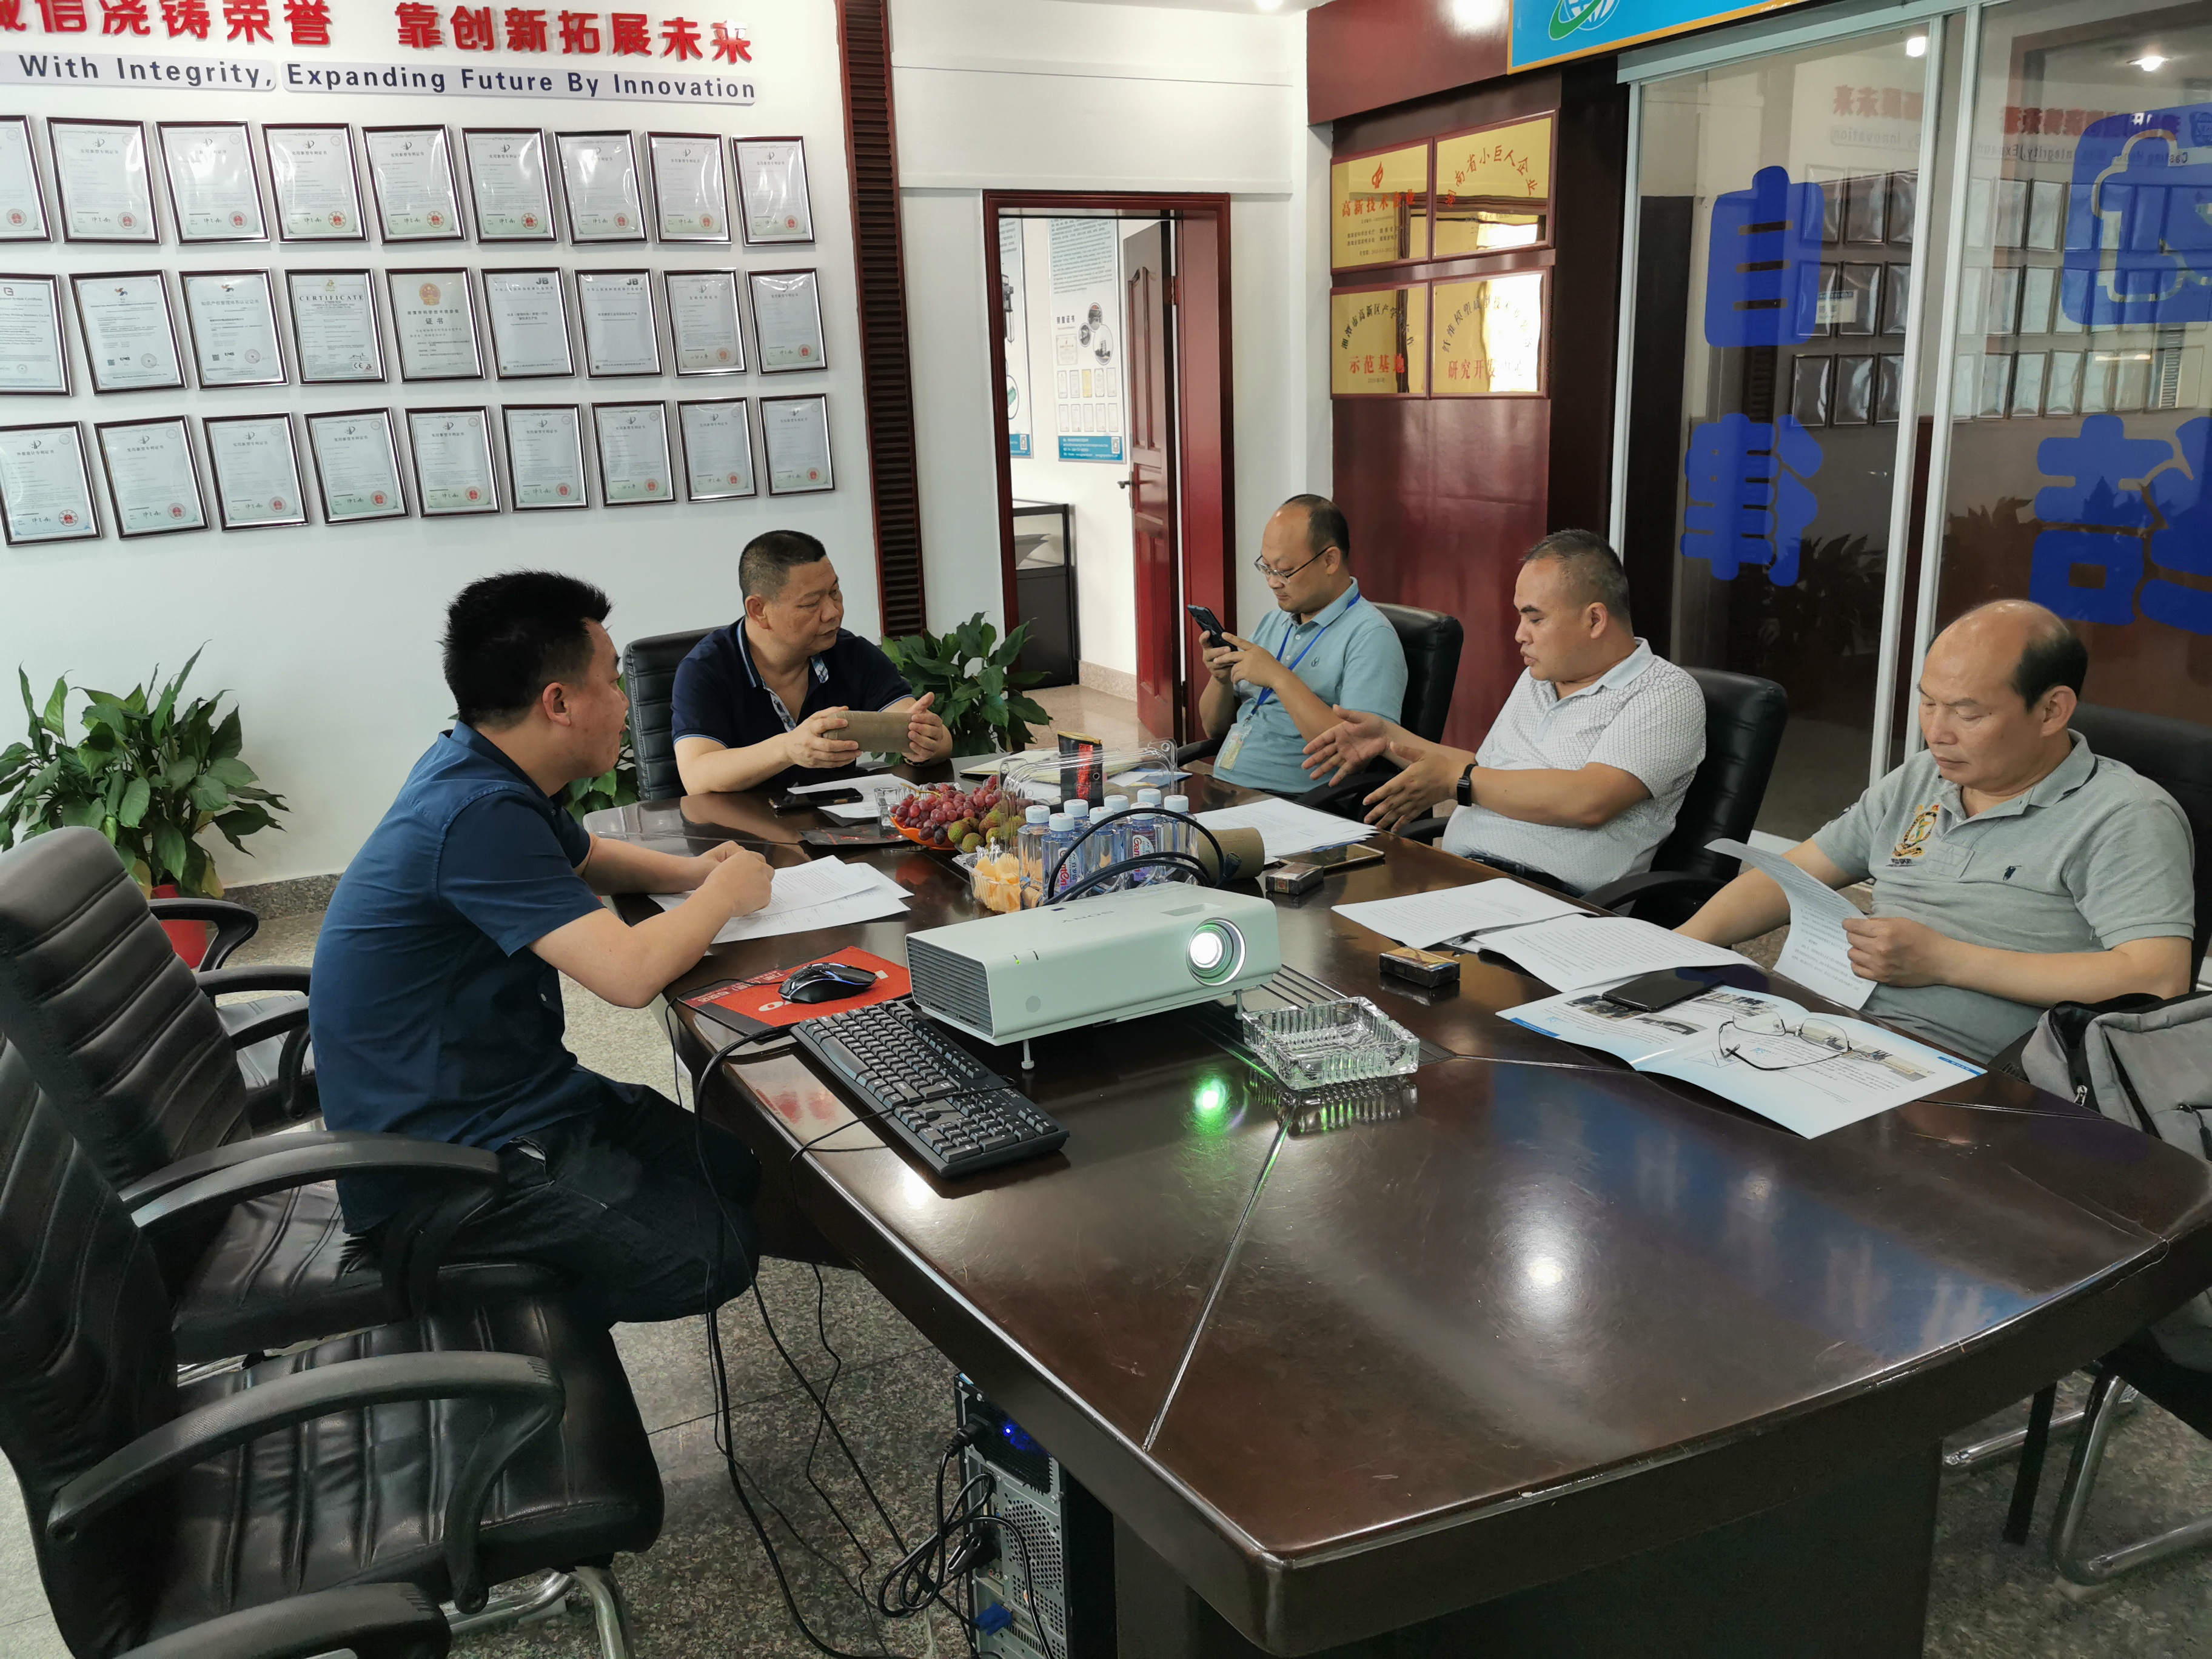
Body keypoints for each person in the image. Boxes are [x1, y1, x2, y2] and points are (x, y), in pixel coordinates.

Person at [312, 571, 777, 1326]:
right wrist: (722, 897)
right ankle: (496, 1311)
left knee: (733, 1168)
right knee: (711, 1252)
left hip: (510, 1092)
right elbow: (627, 975)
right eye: (612, 680)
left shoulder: (479, 765)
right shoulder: (478, 813)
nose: (625, 703)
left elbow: (586, 857)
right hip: (441, 1159)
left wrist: (695, 873)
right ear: (558, 703)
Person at [1677, 600, 2194, 1065]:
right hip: (1814, 1023)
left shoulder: (2125, 815)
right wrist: (1672, 948)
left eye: (1969, 713)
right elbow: (1791, 874)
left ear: (2051, 711)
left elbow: (2156, 977)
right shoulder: (1925, 776)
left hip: (1951, 1070)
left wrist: (1947, 961)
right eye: (1928, 703)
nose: (1937, 732)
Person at [1302, 530, 1704, 895]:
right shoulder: (1539, 678)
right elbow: (1488, 771)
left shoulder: (1663, 692)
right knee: (1323, 906)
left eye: (1535, 618)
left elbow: (1590, 801)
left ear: (1595, 619)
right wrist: (1387, 738)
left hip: (1552, 898)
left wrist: (1459, 781)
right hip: (1462, 874)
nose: (1519, 634)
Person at [672, 529, 952, 794]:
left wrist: (926, 740)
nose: (833, 612)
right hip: (746, 825)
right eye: (811, 604)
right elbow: (697, 775)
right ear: (758, 610)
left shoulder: (851, 653)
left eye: (834, 592)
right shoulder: (705, 669)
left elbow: (931, 733)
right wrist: (787, 749)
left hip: (840, 820)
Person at [1199, 494, 1407, 796]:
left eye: (1284, 570)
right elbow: (1213, 729)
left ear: (1330, 560)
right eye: (1266, 568)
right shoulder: (1275, 621)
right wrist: (1220, 679)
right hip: (1227, 787)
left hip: (1293, 801)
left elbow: (1357, 749)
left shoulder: (1371, 636)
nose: (1273, 582)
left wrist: (1278, 677)